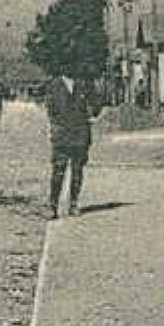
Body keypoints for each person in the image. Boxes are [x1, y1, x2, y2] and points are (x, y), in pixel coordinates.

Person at [43, 71, 100, 219]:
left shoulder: (84, 84)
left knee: (77, 171)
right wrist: (56, 126)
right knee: (58, 171)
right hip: (62, 136)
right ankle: (53, 205)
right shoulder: (54, 86)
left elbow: (96, 103)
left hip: (80, 134)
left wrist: (92, 115)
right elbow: (50, 110)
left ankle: (73, 203)